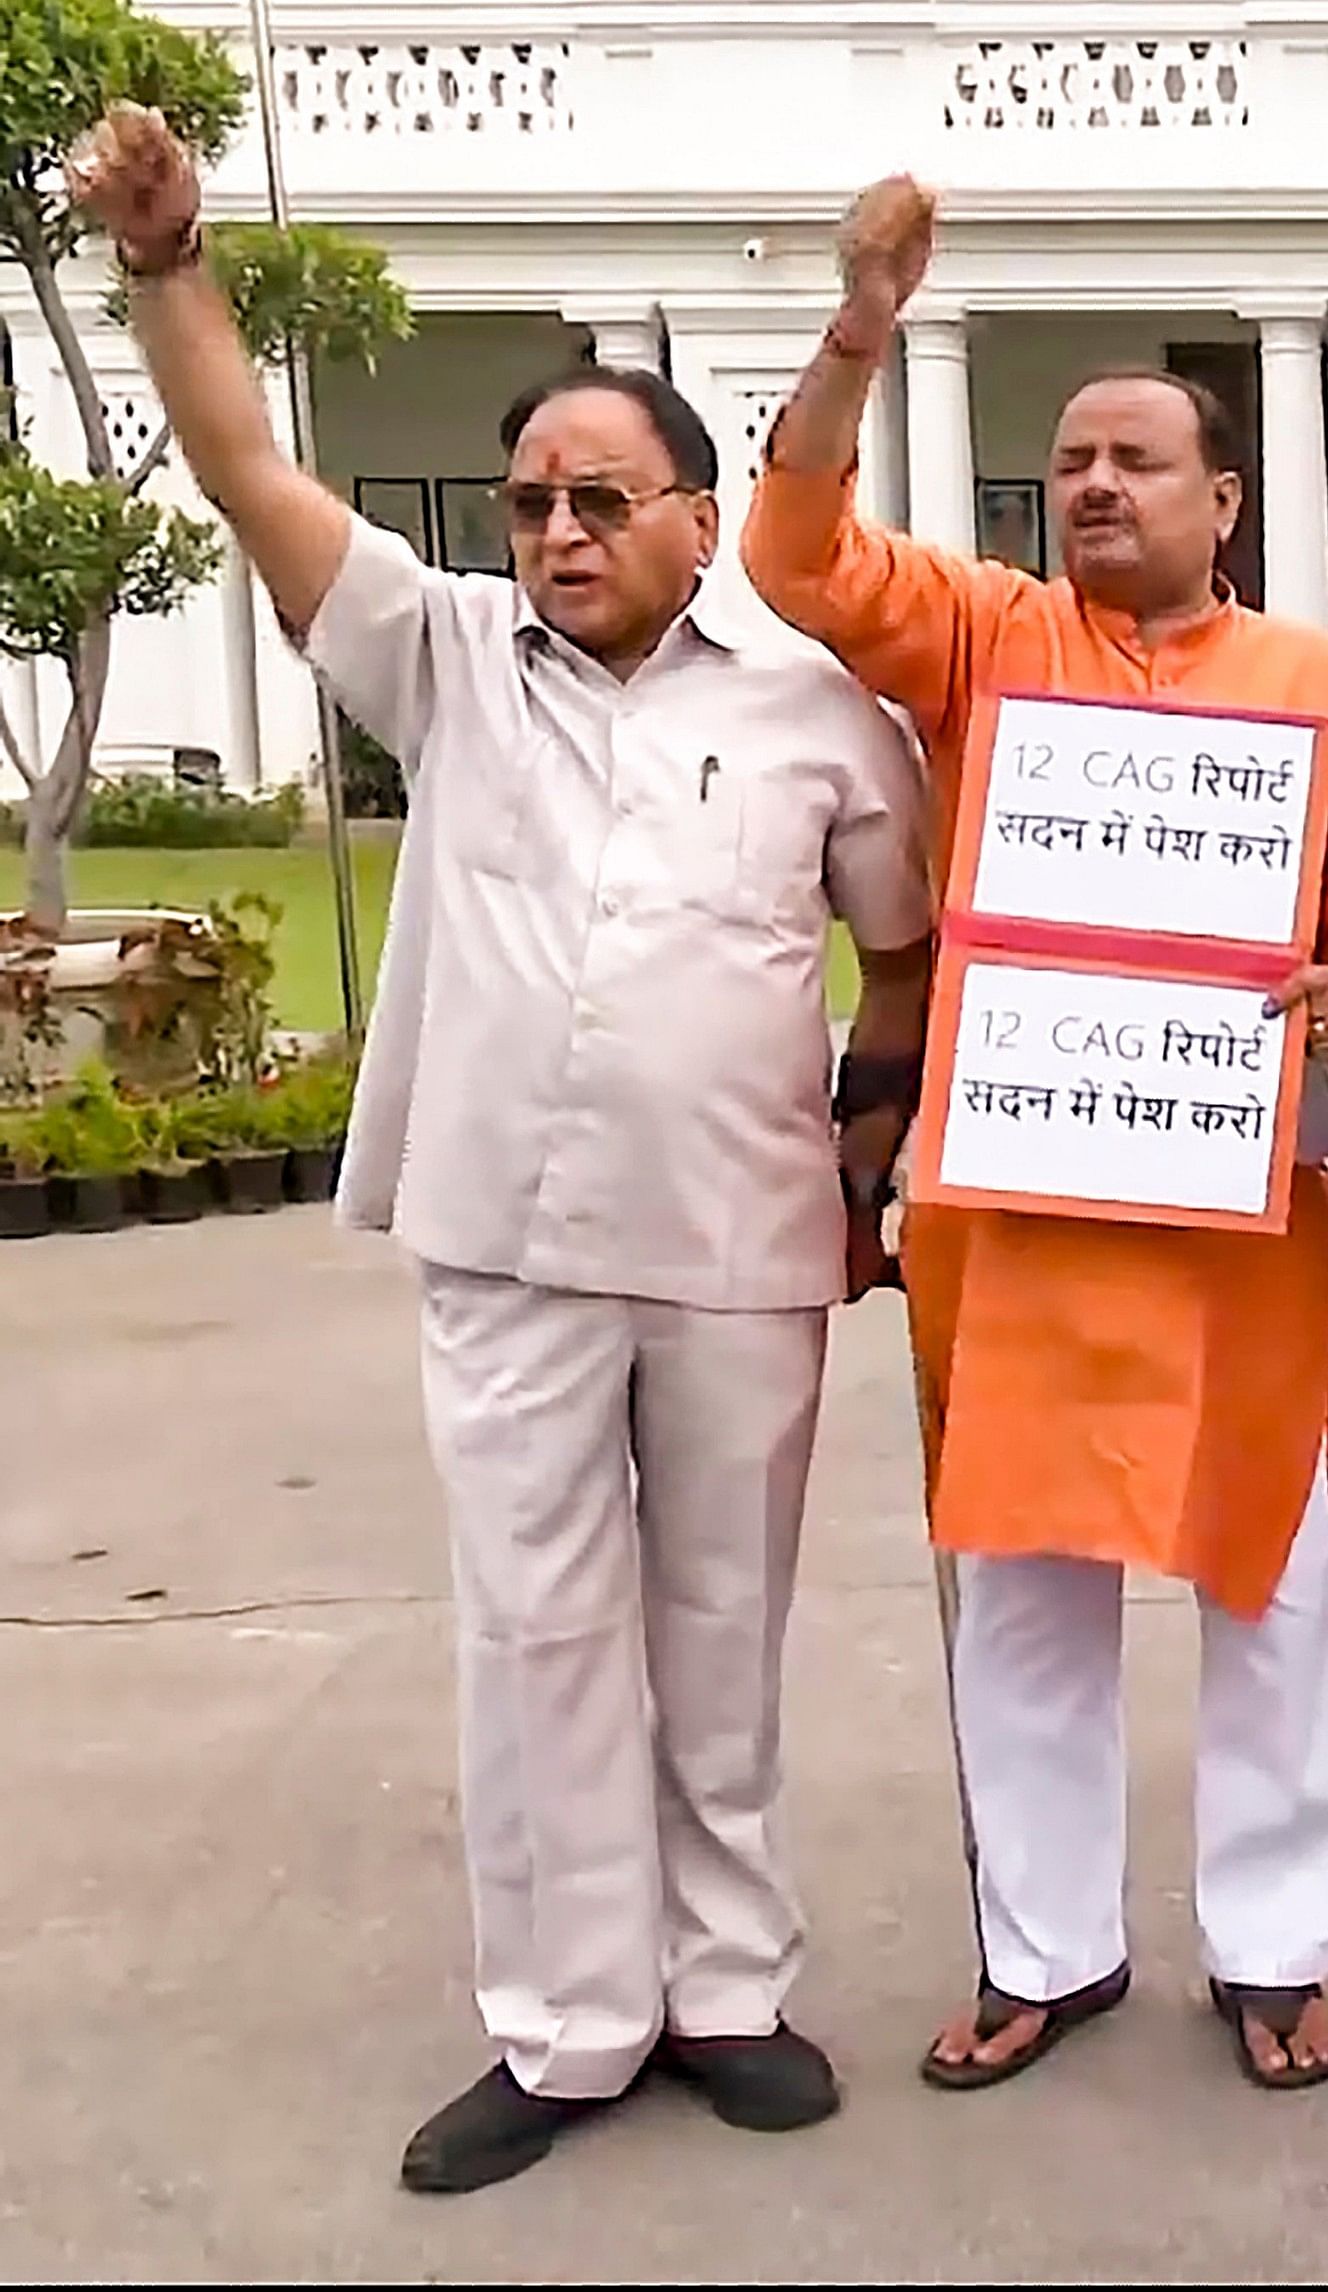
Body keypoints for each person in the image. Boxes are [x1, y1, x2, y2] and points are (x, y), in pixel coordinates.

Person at [67, 104, 934, 2194]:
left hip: (744, 1245)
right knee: (536, 1632)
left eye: (601, 499)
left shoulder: (826, 716)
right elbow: (246, 475)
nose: (556, 530)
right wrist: (175, 266)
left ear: (697, 519)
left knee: (721, 1624)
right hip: (510, 1242)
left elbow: (895, 957)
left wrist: (868, 1156)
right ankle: (566, 2025)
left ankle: (729, 1991)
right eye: (534, 499)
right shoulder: (442, 657)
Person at [742, 175, 1328, 2097]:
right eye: (1070, 460)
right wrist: (858, 328)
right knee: (1021, 1572)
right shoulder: (982, 635)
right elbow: (790, 555)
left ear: (1224, 503)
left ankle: (1273, 1950)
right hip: (1017, 1198)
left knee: (1263, 1571)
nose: (1094, 484)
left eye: (1134, 458)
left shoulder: (1320, 690)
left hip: (1233, 1202)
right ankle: (1045, 1947)